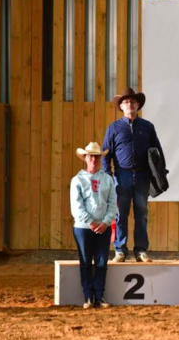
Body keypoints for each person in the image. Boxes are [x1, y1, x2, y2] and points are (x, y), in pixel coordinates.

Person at [102, 87, 167, 263]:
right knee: (120, 214)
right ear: (121, 106)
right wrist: (108, 176)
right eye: (126, 102)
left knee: (141, 213)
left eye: (132, 101)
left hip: (142, 176)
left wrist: (161, 172)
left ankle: (141, 250)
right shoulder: (113, 128)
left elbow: (157, 151)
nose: (129, 104)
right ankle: (120, 250)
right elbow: (105, 154)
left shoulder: (147, 127)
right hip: (121, 175)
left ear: (138, 105)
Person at [70, 142, 117, 309]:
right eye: (91, 156)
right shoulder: (77, 180)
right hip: (84, 227)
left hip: (102, 227)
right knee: (85, 262)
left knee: (101, 262)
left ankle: (98, 295)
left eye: (96, 156)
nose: (94, 159)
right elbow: (76, 206)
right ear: (85, 158)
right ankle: (89, 296)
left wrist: (105, 222)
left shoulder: (107, 179)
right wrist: (90, 221)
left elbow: (112, 203)